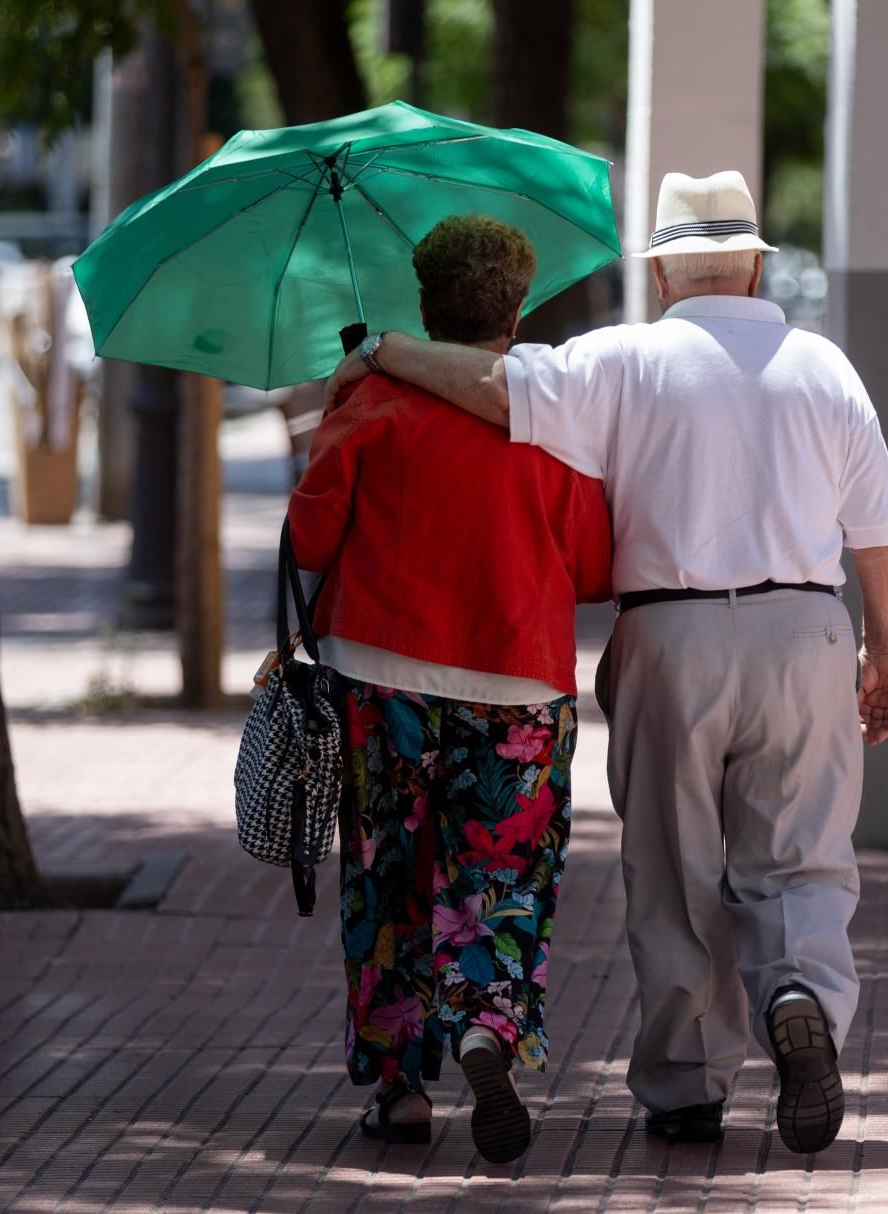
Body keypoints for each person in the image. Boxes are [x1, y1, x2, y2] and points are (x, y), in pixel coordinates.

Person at [325, 171, 888, 1155]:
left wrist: (380, 349)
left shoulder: (623, 359)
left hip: (669, 635)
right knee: (802, 853)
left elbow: (489, 384)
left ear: (658, 272)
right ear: (758, 263)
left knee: (676, 871)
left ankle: (686, 1086)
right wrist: (884, 650)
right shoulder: (825, 367)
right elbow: (880, 530)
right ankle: (800, 987)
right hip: (806, 629)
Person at [289, 214, 612, 1163]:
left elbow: (310, 542)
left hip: (380, 679)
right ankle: (487, 1027)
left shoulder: (370, 403)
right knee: (502, 876)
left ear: (424, 305)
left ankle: (398, 1090)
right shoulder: (555, 420)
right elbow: (592, 566)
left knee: (389, 877)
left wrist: (334, 411)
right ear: (516, 309)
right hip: (517, 682)